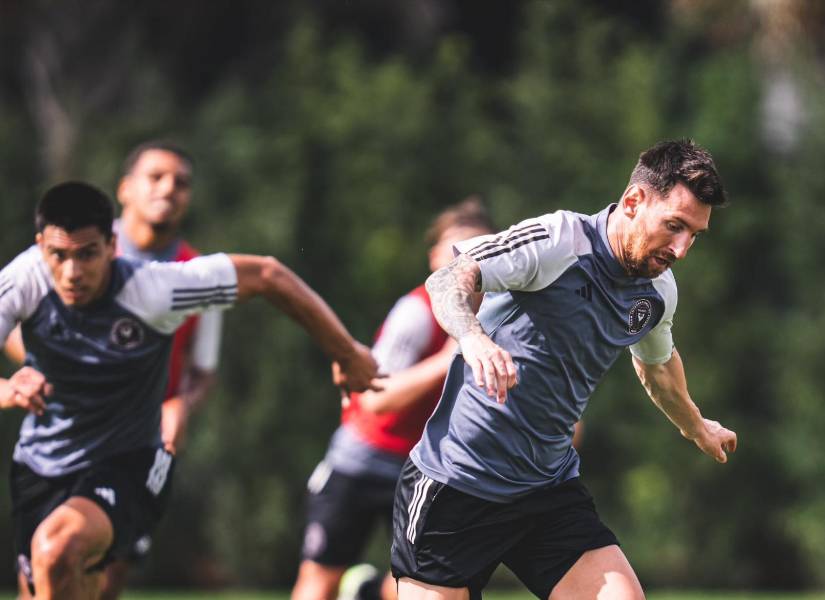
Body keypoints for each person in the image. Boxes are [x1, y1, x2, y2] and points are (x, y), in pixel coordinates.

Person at [391, 139, 738, 600]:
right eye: (674, 226)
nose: (681, 248)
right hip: (456, 486)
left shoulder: (656, 293)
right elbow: (448, 278)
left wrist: (696, 426)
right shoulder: (559, 241)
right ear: (634, 201)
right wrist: (473, 338)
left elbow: (656, 368)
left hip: (545, 491)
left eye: (694, 235)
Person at [0, 181, 379, 600]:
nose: (72, 272)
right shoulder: (23, 279)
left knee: (56, 552)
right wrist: (7, 389)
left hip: (127, 460)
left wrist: (346, 353)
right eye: (59, 255)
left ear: (112, 244)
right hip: (41, 463)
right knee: (48, 588)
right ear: (40, 247)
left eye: (87, 254)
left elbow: (268, 274)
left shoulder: (154, 287)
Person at [3, 140, 224, 599]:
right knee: (43, 578)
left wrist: (182, 406)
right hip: (56, 438)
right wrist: (37, 370)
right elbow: (16, 324)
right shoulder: (71, 247)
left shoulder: (198, 275)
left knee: (102, 573)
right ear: (125, 189)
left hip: (135, 444)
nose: (169, 189)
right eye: (156, 177)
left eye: (181, 182)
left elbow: (202, 370)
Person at [291, 198, 496, 600]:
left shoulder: (500, 315)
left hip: (428, 467)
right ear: (434, 256)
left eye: (477, 248)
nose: (462, 259)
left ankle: (366, 592)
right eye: (453, 248)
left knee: (418, 586)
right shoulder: (416, 312)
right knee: (319, 583)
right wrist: (451, 356)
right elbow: (375, 400)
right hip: (362, 459)